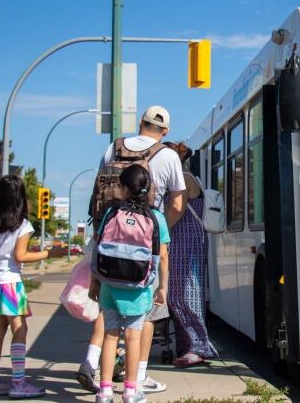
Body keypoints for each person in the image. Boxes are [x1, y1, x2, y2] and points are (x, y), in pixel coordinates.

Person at [77, 105, 185, 394]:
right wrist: (157, 231)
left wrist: (94, 279)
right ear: (165, 131)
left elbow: (97, 193)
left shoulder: (113, 148)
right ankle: (135, 380)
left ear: (140, 123)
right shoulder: (168, 155)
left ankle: (98, 375)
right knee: (144, 321)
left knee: (109, 320)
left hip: (109, 247)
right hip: (144, 257)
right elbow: (176, 204)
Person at [0, 175, 61, 398]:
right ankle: (18, 382)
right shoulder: (23, 225)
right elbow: (20, 256)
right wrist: (48, 253)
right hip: (9, 284)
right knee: (20, 330)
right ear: (20, 199)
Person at [90, 164, 170, 403]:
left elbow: (98, 247)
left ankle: (104, 392)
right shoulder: (157, 218)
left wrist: (94, 282)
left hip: (109, 285)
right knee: (133, 338)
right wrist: (163, 287)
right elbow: (163, 256)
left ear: (124, 188)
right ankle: (129, 391)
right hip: (139, 289)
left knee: (110, 337)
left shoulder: (111, 212)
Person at [164, 141, 215, 366]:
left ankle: (198, 347)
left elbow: (178, 209)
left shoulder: (183, 178)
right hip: (181, 242)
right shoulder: (182, 177)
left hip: (186, 243)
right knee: (176, 295)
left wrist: (157, 232)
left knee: (187, 294)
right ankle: (187, 345)